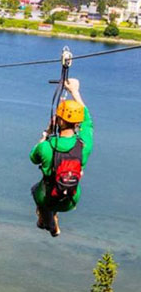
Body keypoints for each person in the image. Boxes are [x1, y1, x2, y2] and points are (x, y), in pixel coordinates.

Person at [30, 78, 92, 237]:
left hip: (49, 198)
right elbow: (88, 121)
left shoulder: (47, 146)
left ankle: (49, 222)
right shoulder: (84, 144)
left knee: (36, 190)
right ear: (77, 123)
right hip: (71, 199)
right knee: (58, 184)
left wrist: (46, 134)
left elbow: (33, 158)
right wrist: (75, 92)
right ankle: (48, 219)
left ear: (58, 121)